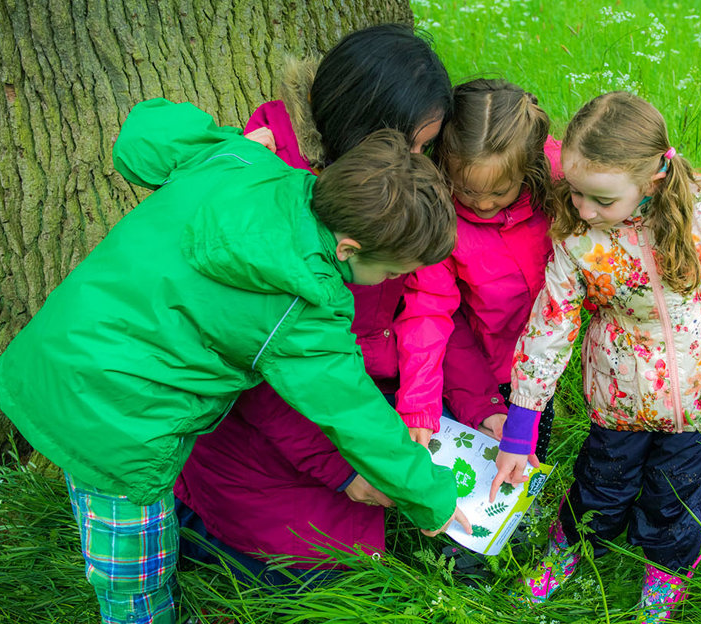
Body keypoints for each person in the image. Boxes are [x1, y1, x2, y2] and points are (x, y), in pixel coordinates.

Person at [0, 99, 469, 624]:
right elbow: (355, 416)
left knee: (100, 501)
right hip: (121, 426)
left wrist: (226, 140)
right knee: (136, 576)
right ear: (349, 249)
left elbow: (142, 139)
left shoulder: (242, 163)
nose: (392, 282)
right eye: (393, 271)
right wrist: (432, 500)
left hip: (56, 361)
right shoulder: (304, 302)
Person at [172, 24, 499, 582]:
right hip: (273, 421)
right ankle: (197, 539)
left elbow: (432, 304)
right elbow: (267, 379)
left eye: (427, 148)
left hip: (362, 391)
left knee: (458, 494)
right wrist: (344, 471)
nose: (421, 162)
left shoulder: (401, 187)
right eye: (414, 147)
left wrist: (481, 403)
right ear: (362, 132)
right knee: (326, 570)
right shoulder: (277, 204)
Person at [490, 91, 701, 623]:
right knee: (599, 485)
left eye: (601, 200)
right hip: (620, 394)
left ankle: (667, 571)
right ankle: (574, 547)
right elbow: (553, 323)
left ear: (654, 175)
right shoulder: (579, 234)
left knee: (676, 501)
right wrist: (522, 421)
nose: (584, 209)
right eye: (577, 192)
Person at [394, 78, 562, 461]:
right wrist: (418, 405)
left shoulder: (557, 182)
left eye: (499, 192)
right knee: (492, 450)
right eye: (467, 190)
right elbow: (427, 309)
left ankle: (528, 513)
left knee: (533, 448)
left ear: (528, 168)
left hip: (542, 356)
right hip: (484, 361)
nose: (482, 204)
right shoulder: (441, 221)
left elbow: (618, 178)